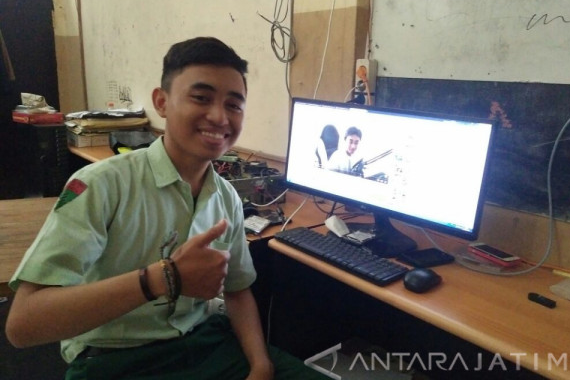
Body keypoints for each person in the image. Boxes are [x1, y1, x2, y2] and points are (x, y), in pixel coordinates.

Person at [5, 37, 328, 380]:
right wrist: (163, 279)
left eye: (234, 105)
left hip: (205, 344)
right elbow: (23, 325)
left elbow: (237, 290)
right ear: (161, 102)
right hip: (115, 359)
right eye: (201, 98)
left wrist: (260, 365)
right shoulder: (100, 185)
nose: (219, 117)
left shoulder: (227, 198)